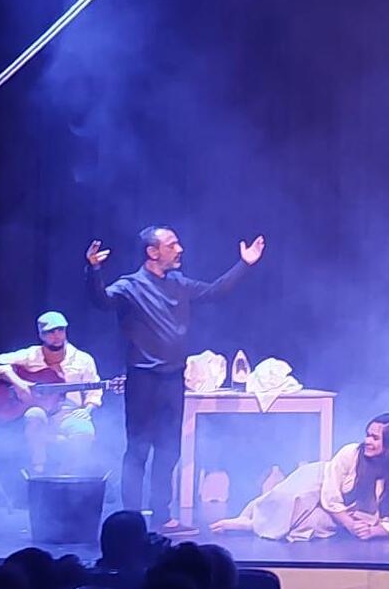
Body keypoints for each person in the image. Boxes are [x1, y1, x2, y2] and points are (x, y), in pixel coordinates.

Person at [87, 226, 265, 534]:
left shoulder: (179, 284)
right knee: (138, 450)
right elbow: (101, 301)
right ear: (152, 252)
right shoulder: (130, 286)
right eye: (172, 245)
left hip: (173, 379)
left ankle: (162, 516)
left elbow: (215, 291)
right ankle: (131, 519)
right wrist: (93, 269)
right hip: (143, 378)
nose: (180, 249)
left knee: (169, 450)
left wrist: (245, 264)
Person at [208, 414, 389, 541]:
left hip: (341, 511)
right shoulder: (351, 453)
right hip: (321, 480)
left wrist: (372, 531)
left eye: (375, 438)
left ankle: (255, 527)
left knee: (312, 525)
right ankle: (250, 522)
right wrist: (350, 525)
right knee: (290, 499)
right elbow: (330, 494)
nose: (367, 441)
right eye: (367, 435)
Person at [0, 311, 101, 475]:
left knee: (85, 430)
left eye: (60, 330)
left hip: (68, 413)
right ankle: (38, 470)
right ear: (41, 335)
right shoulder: (31, 355)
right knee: (34, 414)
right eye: (50, 332)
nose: (56, 335)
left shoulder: (83, 359)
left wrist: (88, 409)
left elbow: (95, 390)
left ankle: (66, 475)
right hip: (40, 411)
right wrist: (19, 383)